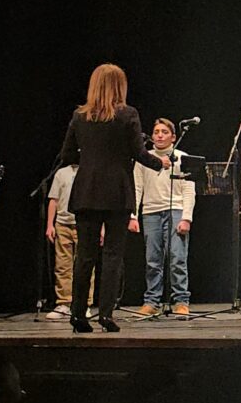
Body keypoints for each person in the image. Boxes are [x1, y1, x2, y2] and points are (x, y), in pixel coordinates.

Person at [58, 63, 170, 333]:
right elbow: (139, 153)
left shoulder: (79, 116)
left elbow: (67, 155)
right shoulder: (127, 114)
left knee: (84, 256)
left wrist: (90, 159)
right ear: (120, 86)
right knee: (112, 255)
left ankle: (78, 314)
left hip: (86, 191)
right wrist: (161, 162)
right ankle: (106, 314)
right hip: (117, 191)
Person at [133, 118, 197, 318]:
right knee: (153, 260)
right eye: (156, 132)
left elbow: (189, 190)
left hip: (176, 210)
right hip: (151, 212)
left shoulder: (182, 157)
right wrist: (133, 215)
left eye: (164, 132)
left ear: (173, 137)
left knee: (178, 258)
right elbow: (137, 187)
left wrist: (186, 217)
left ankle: (181, 301)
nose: (160, 135)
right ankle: (152, 301)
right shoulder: (144, 158)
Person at [45, 163, 96, 321]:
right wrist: (50, 225)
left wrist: (101, 228)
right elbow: (54, 199)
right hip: (63, 223)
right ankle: (64, 303)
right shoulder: (61, 173)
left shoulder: (91, 170)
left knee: (85, 265)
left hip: (84, 223)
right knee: (62, 265)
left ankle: (84, 304)